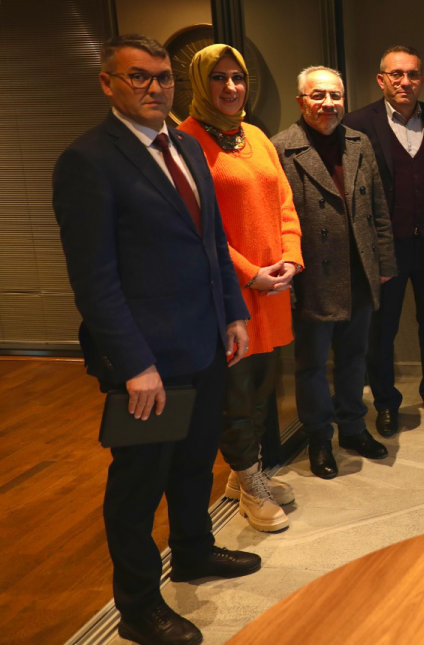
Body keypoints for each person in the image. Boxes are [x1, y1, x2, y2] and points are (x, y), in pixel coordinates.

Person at [53, 34, 259, 645]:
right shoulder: (88, 161)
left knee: (195, 462)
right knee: (138, 485)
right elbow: (94, 281)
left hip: (204, 342)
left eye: (163, 77)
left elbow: (212, 240)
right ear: (108, 83)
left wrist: (233, 312)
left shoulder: (187, 146)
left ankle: (193, 549)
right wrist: (134, 363)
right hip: (147, 361)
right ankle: (139, 606)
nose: (154, 88)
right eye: (138, 76)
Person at [177, 44, 303, 534]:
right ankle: (251, 484)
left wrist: (290, 257)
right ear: (199, 82)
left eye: (237, 77)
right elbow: (197, 225)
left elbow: (284, 202)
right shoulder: (186, 141)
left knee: (263, 388)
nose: (231, 87)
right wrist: (250, 272)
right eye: (219, 78)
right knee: (236, 393)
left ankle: (242, 475)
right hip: (230, 291)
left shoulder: (256, 136)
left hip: (273, 288)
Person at [272, 66, 396, 480]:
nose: (328, 103)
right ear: (301, 101)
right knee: (311, 364)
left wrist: (384, 263)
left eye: (336, 95)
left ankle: (354, 428)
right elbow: (275, 221)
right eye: (318, 95)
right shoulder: (281, 148)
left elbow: (378, 208)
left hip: (359, 269)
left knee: (354, 357)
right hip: (312, 276)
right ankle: (319, 437)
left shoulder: (359, 142)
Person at [344, 46, 424, 434]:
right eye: (396, 74)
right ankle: (386, 402)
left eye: (413, 74)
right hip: (385, 248)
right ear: (382, 80)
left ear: (421, 79)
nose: (405, 81)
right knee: (382, 329)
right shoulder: (358, 123)